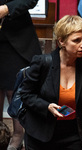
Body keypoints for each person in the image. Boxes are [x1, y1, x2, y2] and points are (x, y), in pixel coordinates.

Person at [19, 15, 82, 150]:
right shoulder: (42, 63)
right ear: (62, 42)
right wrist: (47, 106)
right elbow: (25, 94)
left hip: (74, 135)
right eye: (76, 40)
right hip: (41, 134)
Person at [0, 0, 42, 149]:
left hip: (16, 38)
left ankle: (18, 134)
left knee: (14, 90)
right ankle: (1, 136)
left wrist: (6, 9)